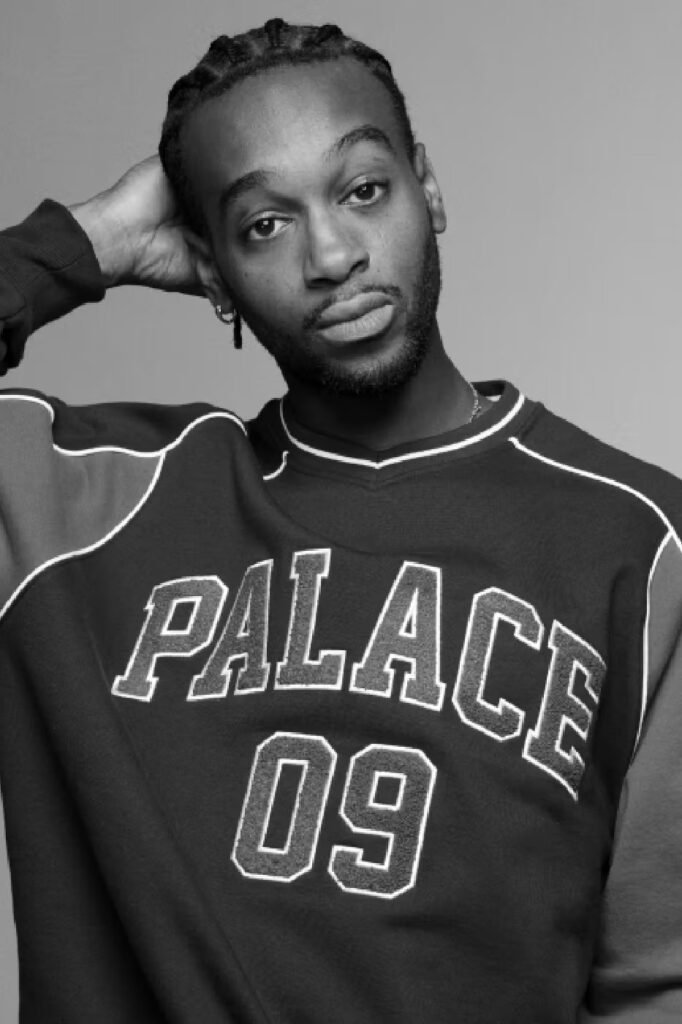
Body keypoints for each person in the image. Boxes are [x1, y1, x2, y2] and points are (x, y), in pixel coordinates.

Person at [0, 17, 680, 1023]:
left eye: (363, 190)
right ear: (210, 269)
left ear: (427, 188)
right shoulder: (87, 505)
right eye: (263, 225)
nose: (331, 254)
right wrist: (87, 242)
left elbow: (658, 982)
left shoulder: (639, 541)